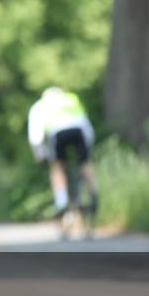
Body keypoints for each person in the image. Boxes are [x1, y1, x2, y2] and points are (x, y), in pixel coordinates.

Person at [27, 86, 98, 216]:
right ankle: (93, 191)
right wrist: (88, 146)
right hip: (79, 132)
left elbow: (35, 136)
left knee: (57, 166)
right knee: (84, 163)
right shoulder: (71, 99)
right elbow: (86, 125)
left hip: (58, 134)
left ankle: (61, 202)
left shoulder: (40, 105)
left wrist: (39, 153)